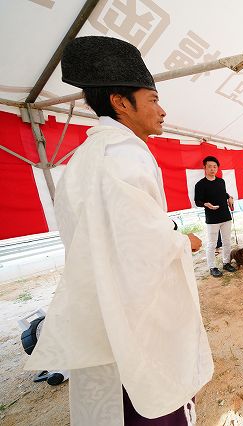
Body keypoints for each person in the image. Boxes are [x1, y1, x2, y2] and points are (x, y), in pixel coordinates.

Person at [25, 36, 213, 424]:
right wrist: (184, 240)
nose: (162, 110)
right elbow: (142, 246)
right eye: (153, 100)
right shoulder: (124, 156)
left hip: (102, 304)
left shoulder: (84, 158)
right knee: (148, 399)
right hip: (134, 313)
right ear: (120, 102)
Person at [194, 156, 237, 277]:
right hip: (212, 218)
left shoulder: (221, 181)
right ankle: (212, 267)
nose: (212, 169)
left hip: (225, 216)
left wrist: (229, 197)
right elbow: (197, 201)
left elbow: (223, 193)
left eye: (214, 167)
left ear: (217, 168)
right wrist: (205, 204)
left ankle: (226, 262)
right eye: (210, 167)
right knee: (212, 243)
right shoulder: (200, 184)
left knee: (227, 241)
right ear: (204, 168)